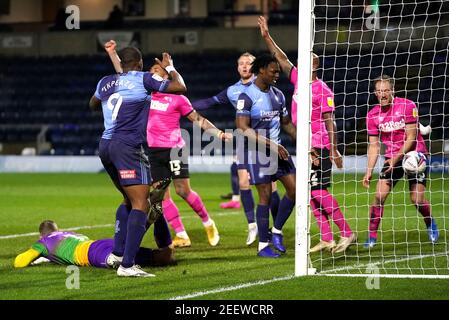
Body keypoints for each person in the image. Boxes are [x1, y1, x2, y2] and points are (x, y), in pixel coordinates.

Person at [105, 40, 232, 248]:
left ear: (166, 75)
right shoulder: (146, 93)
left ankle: (208, 223)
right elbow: (125, 75)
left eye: (158, 70)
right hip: (153, 151)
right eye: (151, 70)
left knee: (183, 190)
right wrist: (112, 54)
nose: (153, 73)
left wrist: (218, 133)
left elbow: (198, 119)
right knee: (161, 196)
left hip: (175, 149)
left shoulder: (178, 98)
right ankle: (181, 234)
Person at [258, 16, 356, 253]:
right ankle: (327, 237)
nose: (299, 63)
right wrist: (267, 37)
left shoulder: (323, 89)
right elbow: (281, 58)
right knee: (309, 194)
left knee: (318, 190)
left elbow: (330, 121)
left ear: (315, 65)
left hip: (319, 145)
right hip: (304, 145)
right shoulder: (297, 80)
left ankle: (347, 232)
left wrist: (333, 149)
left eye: (306, 60)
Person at [89, 46, 186, 277]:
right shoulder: (145, 79)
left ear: (121, 63)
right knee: (142, 203)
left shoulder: (105, 82)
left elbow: (92, 104)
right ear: (141, 63)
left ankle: (118, 253)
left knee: (128, 199)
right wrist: (170, 66)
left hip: (105, 146)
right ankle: (127, 265)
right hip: (128, 147)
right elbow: (180, 87)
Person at [193, 52, 282, 246]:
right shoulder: (233, 90)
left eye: (248, 63)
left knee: (271, 187)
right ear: (237, 67)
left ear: (256, 66)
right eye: (241, 63)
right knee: (243, 182)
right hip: (245, 140)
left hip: (265, 141)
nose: (244, 66)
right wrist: (185, 107)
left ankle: (277, 228)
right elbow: (209, 102)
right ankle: (252, 226)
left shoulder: (264, 87)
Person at [362, 74, 439, 248]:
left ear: (392, 91)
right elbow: (374, 146)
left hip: (415, 155)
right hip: (392, 158)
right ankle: (372, 237)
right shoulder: (372, 115)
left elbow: (412, 137)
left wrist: (396, 158)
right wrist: (368, 172)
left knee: (417, 199)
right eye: (379, 91)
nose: (382, 95)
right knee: (379, 196)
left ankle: (430, 223)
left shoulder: (408, 106)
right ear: (375, 93)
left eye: (386, 91)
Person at [236, 54, 297, 258]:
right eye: (274, 71)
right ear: (261, 70)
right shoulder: (246, 97)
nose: (277, 74)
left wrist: (306, 143)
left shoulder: (278, 95)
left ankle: (277, 231)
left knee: (295, 190)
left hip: (278, 150)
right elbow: (243, 128)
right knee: (265, 196)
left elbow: (287, 123)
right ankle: (263, 246)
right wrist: (271, 144)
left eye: (278, 71)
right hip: (258, 152)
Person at [14, 220, 175, 271]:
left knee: (119, 262)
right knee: (161, 257)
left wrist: (38, 253)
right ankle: (158, 219)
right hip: (100, 243)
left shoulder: (43, 242)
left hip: (92, 254)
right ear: (59, 230)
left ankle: (146, 221)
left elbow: (19, 262)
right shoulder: (71, 234)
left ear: (41, 235)